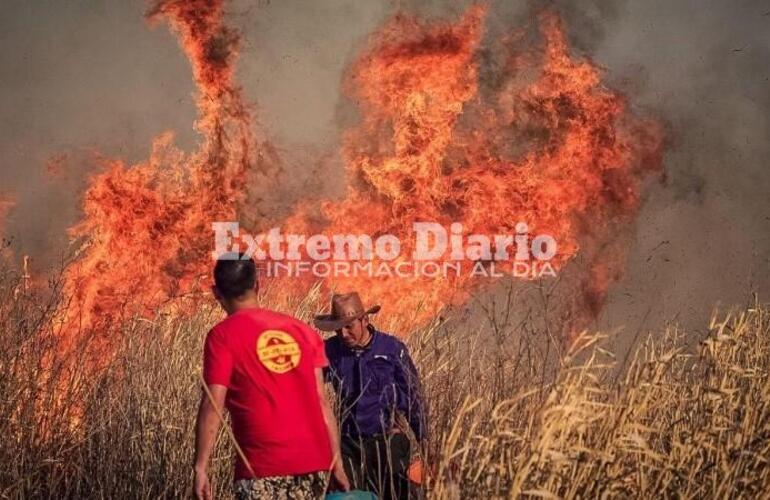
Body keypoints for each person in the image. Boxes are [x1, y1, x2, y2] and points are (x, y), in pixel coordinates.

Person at [193, 254, 350, 500]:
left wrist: (201, 466)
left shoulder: (222, 336)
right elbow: (322, 402)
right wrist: (336, 462)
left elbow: (213, 403)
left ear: (216, 293)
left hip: (263, 467)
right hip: (316, 464)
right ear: (257, 284)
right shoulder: (302, 331)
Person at [315, 292, 426, 500]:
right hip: (349, 445)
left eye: (349, 326)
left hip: (388, 442)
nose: (344, 334)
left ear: (365, 320)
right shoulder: (330, 350)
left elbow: (413, 399)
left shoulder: (391, 349)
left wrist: (426, 442)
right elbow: (310, 386)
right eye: (338, 329)